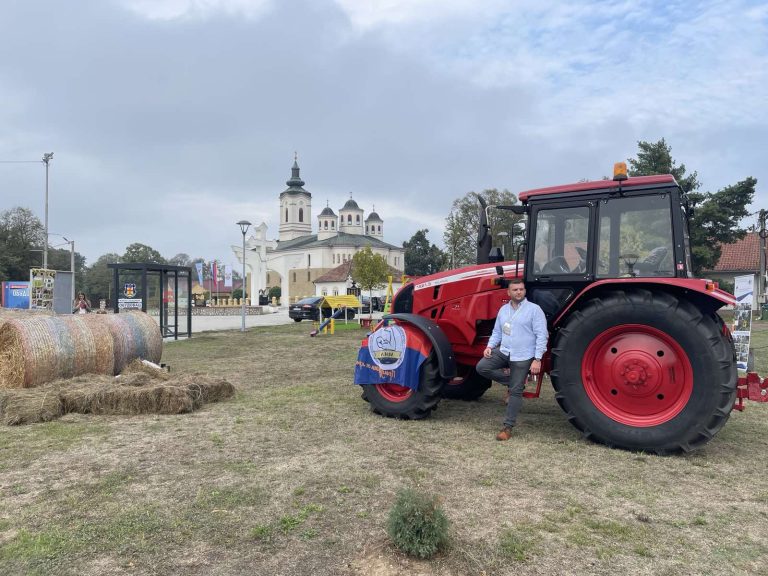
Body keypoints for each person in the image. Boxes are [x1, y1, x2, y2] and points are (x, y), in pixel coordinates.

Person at [476, 278, 548, 441]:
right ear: (508, 292)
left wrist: (537, 359)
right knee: (482, 367)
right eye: (515, 290)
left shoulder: (534, 310)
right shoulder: (503, 310)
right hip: (505, 351)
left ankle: (507, 427)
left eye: (521, 289)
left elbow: (542, 335)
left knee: (515, 392)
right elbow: (497, 332)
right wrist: (489, 346)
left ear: (525, 291)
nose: (518, 292)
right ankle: (514, 381)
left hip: (523, 354)